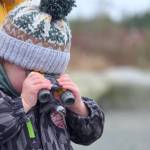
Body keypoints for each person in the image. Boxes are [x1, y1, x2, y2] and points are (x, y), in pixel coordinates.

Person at [0, 0, 105, 150]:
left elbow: (90, 134)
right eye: (31, 73)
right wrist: (22, 105)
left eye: (52, 74)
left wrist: (79, 108)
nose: (44, 81)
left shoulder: (54, 99)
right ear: (5, 59)